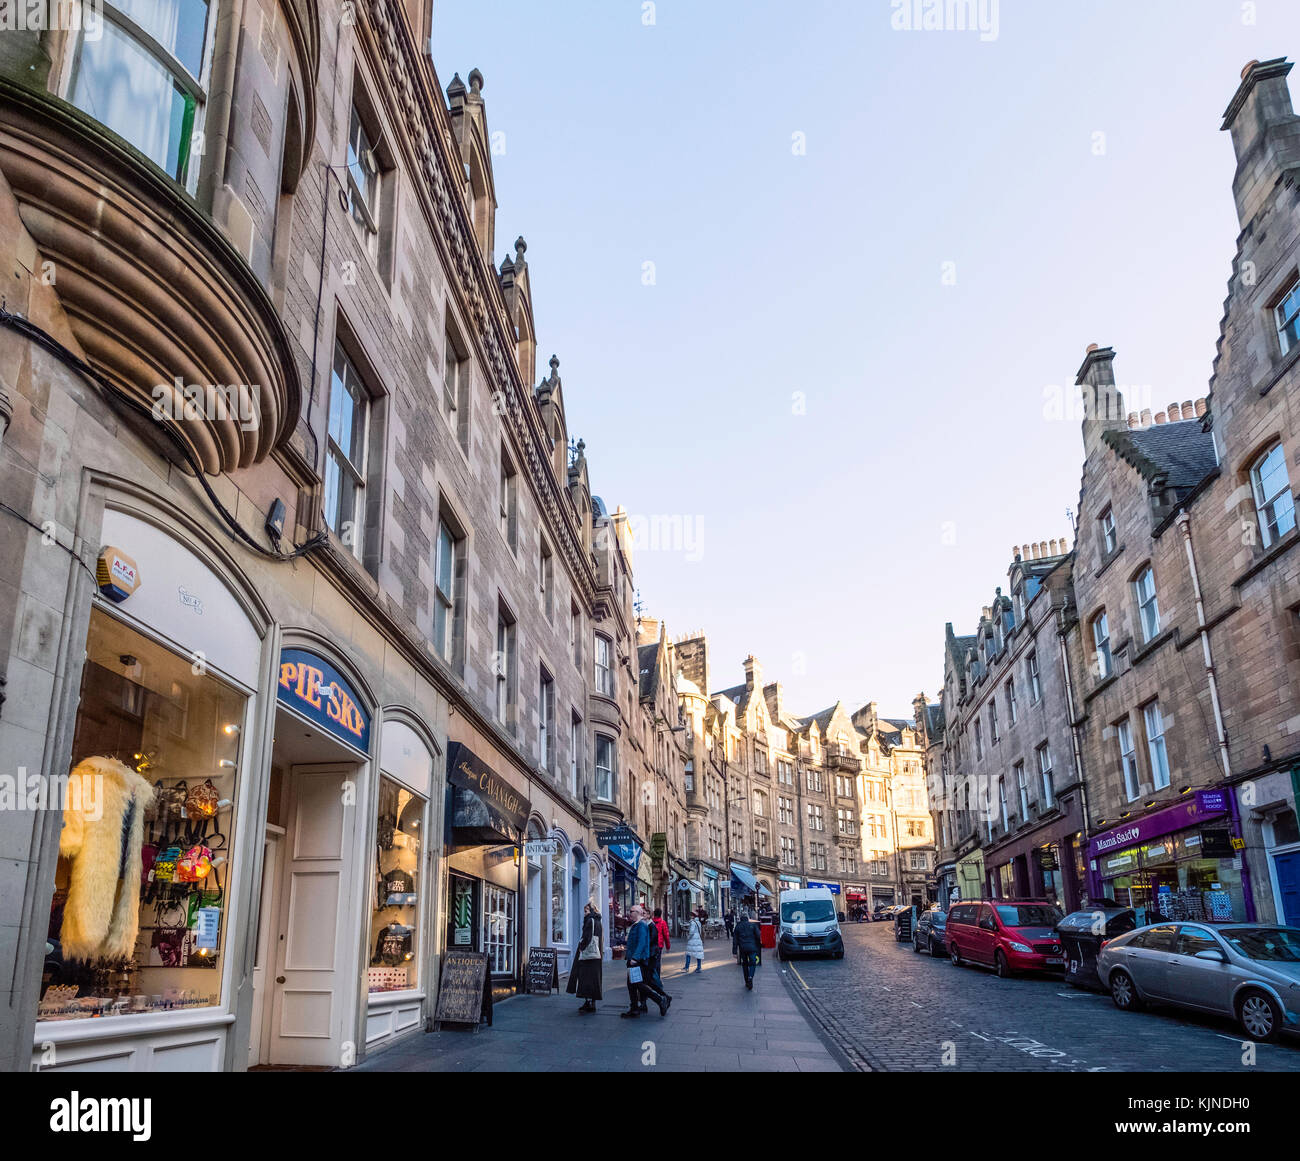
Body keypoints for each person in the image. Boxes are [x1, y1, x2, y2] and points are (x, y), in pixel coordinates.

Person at [621, 906, 671, 1018]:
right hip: (632, 959)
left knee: (638, 984)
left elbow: (642, 943)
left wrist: (635, 958)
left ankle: (660, 1000)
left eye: (631, 911)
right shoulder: (637, 925)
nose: (630, 913)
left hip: (637, 961)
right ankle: (634, 1009)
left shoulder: (641, 925)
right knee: (632, 985)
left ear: (638, 912)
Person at [566, 901, 603, 1013]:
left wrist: (581, 946)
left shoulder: (590, 920)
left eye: (586, 911)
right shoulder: (598, 921)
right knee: (594, 979)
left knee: (585, 978)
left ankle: (588, 1002)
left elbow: (587, 937)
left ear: (591, 911)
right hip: (596, 955)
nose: (584, 913)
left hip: (588, 955)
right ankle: (592, 1002)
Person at [732, 911, 762, 990]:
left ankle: (746, 982)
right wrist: (758, 944)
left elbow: (735, 940)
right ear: (748, 917)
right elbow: (758, 936)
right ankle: (750, 977)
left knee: (744, 964)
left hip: (743, 948)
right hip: (752, 947)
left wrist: (734, 952)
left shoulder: (738, 926)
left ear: (741, 918)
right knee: (752, 963)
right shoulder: (753, 925)